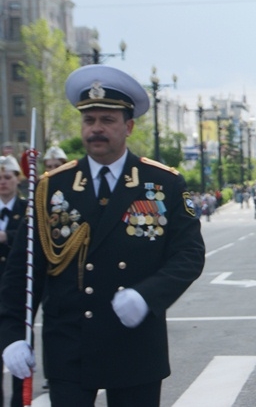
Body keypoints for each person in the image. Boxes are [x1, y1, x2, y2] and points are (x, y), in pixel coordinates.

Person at [0, 64, 205, 407]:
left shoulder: (162, 183)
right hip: (69, 343)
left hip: (135, 343)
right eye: (89, 120)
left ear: (128, 126)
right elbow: (24, 269)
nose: (96, 129)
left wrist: (147, 296)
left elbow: (188, 255)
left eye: (107, 120)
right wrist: (12, 335)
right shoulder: (53, 187)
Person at [0, 156, 25, 407]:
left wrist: (7, 235)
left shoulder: (27, 208)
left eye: (7, 177)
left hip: (17, 289)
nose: (3, 182)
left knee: (19, 352)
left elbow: (34, 235)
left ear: (17, 179)